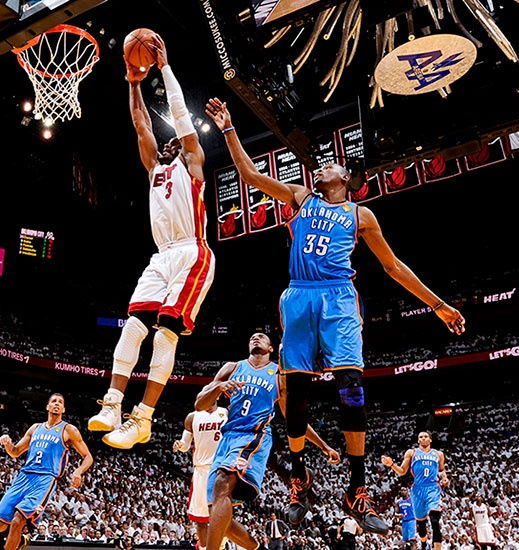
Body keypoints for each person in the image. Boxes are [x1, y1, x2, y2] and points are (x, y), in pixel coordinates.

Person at [204, 98, 466, 532]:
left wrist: (437, 304)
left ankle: (356, 489)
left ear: (345, 178)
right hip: (299, 296)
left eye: (329, 166)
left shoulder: (361, 215)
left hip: (339, 298)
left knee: (351, 387)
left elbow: (393, 266)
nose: (320, 169)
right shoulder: (300, 197)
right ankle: (299, 480)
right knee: (295, 394)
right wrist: (229, 129)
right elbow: (250, 176)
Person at [88, 33, 216, 450]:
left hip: (193, 252)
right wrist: (132, 82)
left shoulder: (192, 163)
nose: (171, 141)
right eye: (169, 140)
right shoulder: (153, 168)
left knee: (165, 334)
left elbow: (179, 113)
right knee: (133, 327)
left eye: (176, 139)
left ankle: (143, 418)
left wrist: (164, 68)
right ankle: (113, 405)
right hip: (161, 257)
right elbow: (140, 122)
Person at [196, 333, 337, 550]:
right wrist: (219, 387)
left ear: (271, 348)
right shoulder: (232, 368)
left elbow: (293, 418)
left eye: (261, 337)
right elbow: (199, 404)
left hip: (254, 435)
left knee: (223, 482)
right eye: (252, 337)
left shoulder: (278, 374)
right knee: (216, 511)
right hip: (227, 438)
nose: (256, 338)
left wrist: (323, 446)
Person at [0, 393, 93, 550]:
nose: (57, 404)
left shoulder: (68, 430)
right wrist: (7, 444)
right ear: (47, 406)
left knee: (18, 519)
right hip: (24, 476)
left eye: (60, 402)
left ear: (63, 409)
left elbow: (88, 457)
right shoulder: (35, 428)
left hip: (45, 479)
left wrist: (78, 471)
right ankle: (20, 539)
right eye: (54, 401)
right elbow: (15, 452)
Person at [172, 398, 228, 550]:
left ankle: (221, 543)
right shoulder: (192, 417)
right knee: (200, 518)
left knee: (222, 513)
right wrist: (180, 445)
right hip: (201, 470)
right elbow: (185, 444)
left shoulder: (225, 413)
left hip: (221, 468)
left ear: (216, 396)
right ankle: (203, 547)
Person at [381, 432, 450, 550]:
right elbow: (402, 471)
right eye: (420, 437)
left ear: (430, 440)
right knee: (421, 525)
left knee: (435, 520)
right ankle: (423, 543)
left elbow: (441, 470)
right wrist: (392, 464)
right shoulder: (411, 452)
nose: (423, 438)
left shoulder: (439, 454)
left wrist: (444, 478)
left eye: (425, 436)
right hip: (417, 489)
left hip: (433, 488)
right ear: (418, 441)